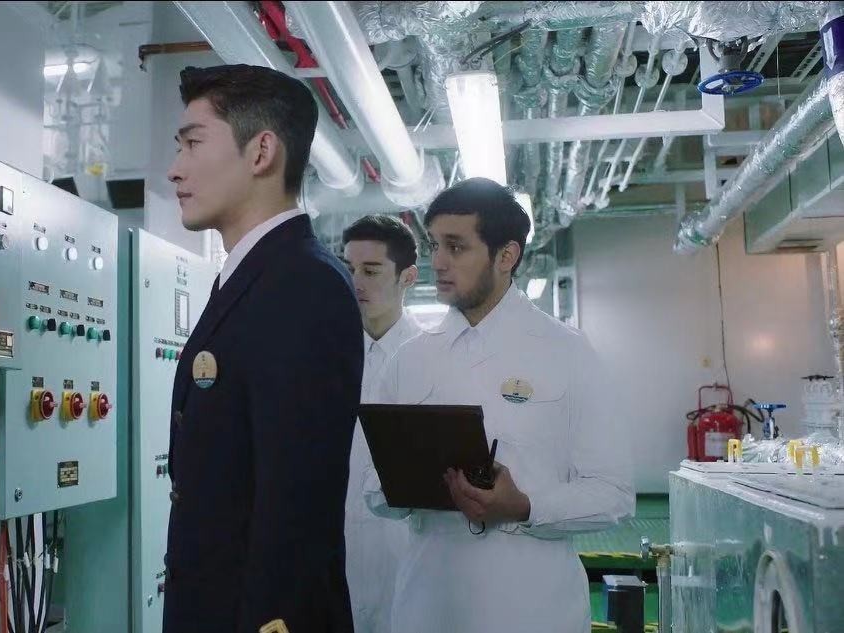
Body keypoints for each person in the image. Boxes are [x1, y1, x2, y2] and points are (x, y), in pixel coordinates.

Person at [370, 178, 634, 633]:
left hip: (533, 612)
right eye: (434, 245)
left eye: (456, 247)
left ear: (506, 256)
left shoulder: (567, 352)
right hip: (428, 609)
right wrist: (405, 485)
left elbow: (614, 494)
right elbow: (371, 488)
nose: (438, 262)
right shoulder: (407, 360)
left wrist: (524, 506)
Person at [163, 64, 364, 633]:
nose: (174, 168)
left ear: (261, 153)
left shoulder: (303, 285)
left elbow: (298, 506)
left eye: (193, 143)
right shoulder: (255, 277)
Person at [339, 214, 420, 633]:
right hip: (334, 559)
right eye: (349, 269)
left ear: (408, 277)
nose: (356, 282)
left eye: (371, 271)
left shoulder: (431, 361)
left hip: (406, 561)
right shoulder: (323, 357)